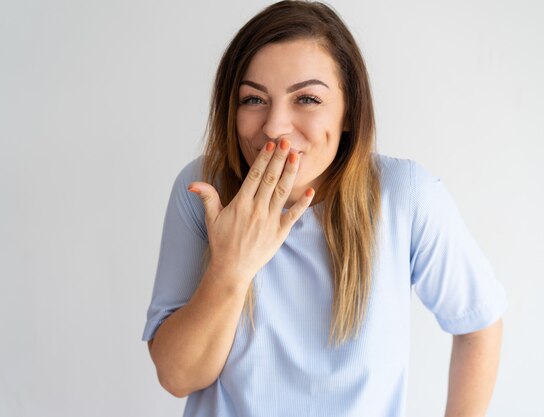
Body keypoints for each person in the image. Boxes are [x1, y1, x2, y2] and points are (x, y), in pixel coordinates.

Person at [142, 1, 508, 416]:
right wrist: (232, 265)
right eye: (253, 99)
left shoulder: (405, 195)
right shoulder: (205, 190)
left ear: (350, 109)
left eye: (308, 99)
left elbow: (478, 323)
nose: (275, 126)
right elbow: (178, 376)